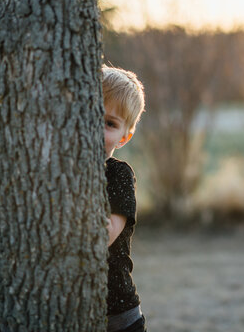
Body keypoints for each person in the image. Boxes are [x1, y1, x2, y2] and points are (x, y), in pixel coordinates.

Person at [102, 65, 146, 332]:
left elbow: (103, 234)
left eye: (109, 123)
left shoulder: (119, 175)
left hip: (119, 317)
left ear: (124, 136)